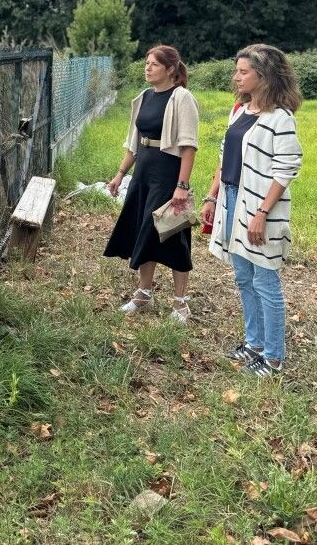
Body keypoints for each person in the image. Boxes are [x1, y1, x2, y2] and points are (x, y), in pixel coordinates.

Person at [200, 44, 303, 377]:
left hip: (259, 208)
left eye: (243, 71)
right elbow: (223, 158)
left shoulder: (280, 118)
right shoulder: (239, 110)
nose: (237, 77)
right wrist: (212, 197)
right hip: (232, 200)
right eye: (237, 70)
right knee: (244, 277)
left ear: (264, 75)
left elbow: (286, 169)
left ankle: (273, 358)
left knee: (265, 281)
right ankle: (254, 345)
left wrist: (262, 213)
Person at [104, 45, 200, 321]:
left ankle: (181, 302)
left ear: (170, 69)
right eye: (146, 63)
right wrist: (121, 173)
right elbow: (133, 142)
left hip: (168, 173)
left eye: (154, 64)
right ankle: (143, 294)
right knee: (142, 233)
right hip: (144, 173)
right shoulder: (144, 97)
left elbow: (189, 146)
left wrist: (182, 186)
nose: (147, 68)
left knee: (172, 234)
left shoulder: (182, 98)